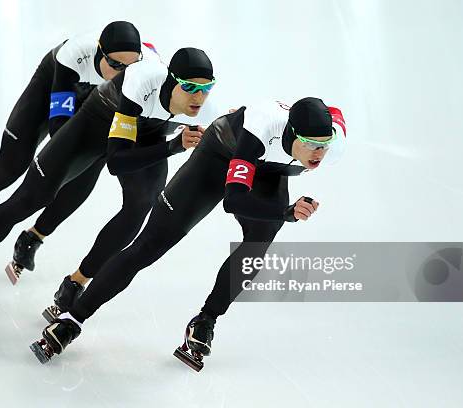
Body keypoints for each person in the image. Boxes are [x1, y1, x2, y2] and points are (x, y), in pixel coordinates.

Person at [29, 98, 347, 368]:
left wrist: (280, 212)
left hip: (270, 171)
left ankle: (205, 320)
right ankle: (73, 319)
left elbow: (331, 121)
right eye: (310, 144)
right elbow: (234, 200)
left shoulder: (334, 145)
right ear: (291, 133)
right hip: (221, 154)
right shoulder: (261, 131)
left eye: (324, 145)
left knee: (257, 246)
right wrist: (286, 212)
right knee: (149, 246)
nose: (318, 153)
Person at [0, 47, 216, 319]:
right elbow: (116, 161)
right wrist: (173, 147)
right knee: (29, 199)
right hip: (97, 123)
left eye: (206, 89)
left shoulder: (204, 110)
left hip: (147, 131)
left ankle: (76, 282)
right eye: (190, 88)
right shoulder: (140, 83)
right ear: (170, 81)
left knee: (141, 205)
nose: (198, 98)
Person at [0, 21, 149, 277]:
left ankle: (33, 237)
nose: (122, 74)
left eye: (130, 67)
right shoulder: (74, 56)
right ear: (99, 51)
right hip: (57, 84)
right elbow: (59, 128)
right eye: (115, 65)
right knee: (9, 168)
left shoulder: (146, 70)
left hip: (100, 103)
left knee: (89, 167)